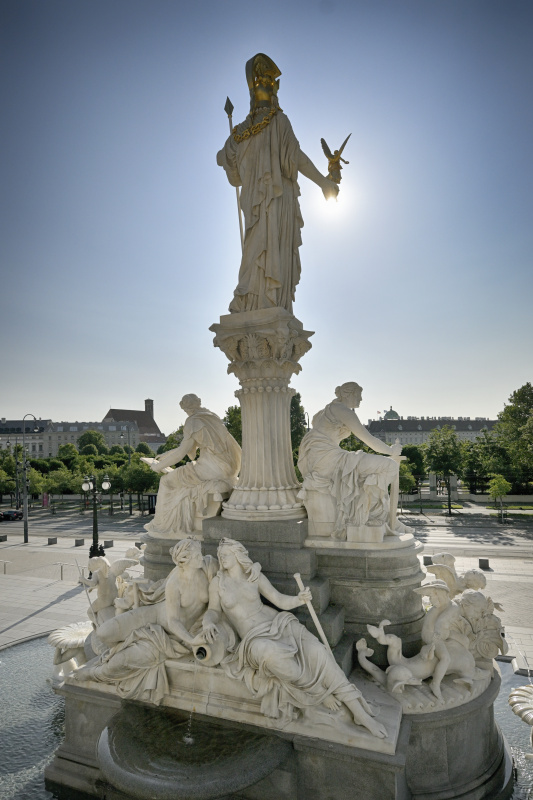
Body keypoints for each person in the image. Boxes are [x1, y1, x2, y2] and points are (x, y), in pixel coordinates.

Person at [203, 538, 386, 738]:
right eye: (220, 555)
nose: (222, 558)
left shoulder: (254, 576)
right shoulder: (218, 583)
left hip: (278, 623)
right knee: (271, 655)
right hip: (253, 639)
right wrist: (208, 622)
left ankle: (360, 713)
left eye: (226, 554)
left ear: (238, 556)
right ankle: (317, 691)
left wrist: (299, 599)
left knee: (318, 651)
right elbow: (213, 610)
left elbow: (278, 599)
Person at [217, 53, 338, 314]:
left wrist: (230, 151)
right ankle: (255, 301)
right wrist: (323, 184)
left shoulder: (246, 130)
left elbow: (228, 164)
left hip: (268, 202)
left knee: (264, 248)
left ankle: (260, 302)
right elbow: (295, 158)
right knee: (260, 248)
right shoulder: (267, 124)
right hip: (267, 202)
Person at [74, 539, 219, 704]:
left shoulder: (208, 567)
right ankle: (124, 645)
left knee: (120, 661)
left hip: (163, 636)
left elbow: (215, 604)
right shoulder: (175, 583)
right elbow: (173, 620)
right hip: (153, 614)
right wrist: (192, 640)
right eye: (196, 555)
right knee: (103, 632)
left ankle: (95, 673)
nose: (201, 557)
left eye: (199, 553)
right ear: (184, 561)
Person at [298, 382, 410, 539]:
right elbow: (369, 439)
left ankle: (380, 516)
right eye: (358, 395)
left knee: (375, 470)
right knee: (389, 466)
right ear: (347, 394)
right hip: (328, 459)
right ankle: (371, 516)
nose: (361, 399)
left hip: (321, 458)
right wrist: (391, 451)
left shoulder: (329, 409)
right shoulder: (342, 410)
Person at [145, 395, 241, 538]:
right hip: (229, 467)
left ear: (186, 408)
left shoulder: (193, 421)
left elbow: (182, 453)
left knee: (166, 481)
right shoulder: (211, 416)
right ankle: (173, 523)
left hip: (212, 469)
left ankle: (162, 525)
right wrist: (166, 455)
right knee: (180, 475)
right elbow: (189, 446)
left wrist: (158, 467)